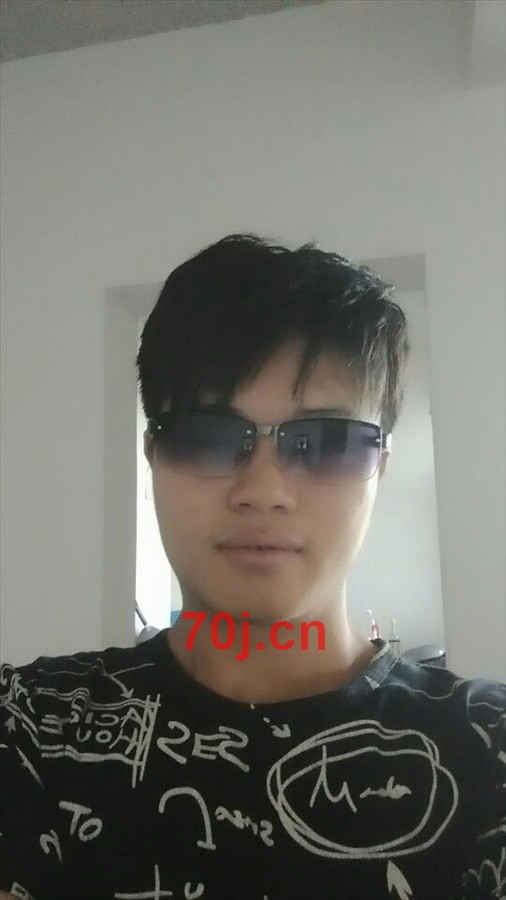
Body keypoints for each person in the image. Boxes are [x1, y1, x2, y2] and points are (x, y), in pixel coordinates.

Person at [0, 233, 504, 900]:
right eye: (208, 436)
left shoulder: (490, 749)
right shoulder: (30, 725)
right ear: (153, 457)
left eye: (325, 441)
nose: (263, 490)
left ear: (379, 469)